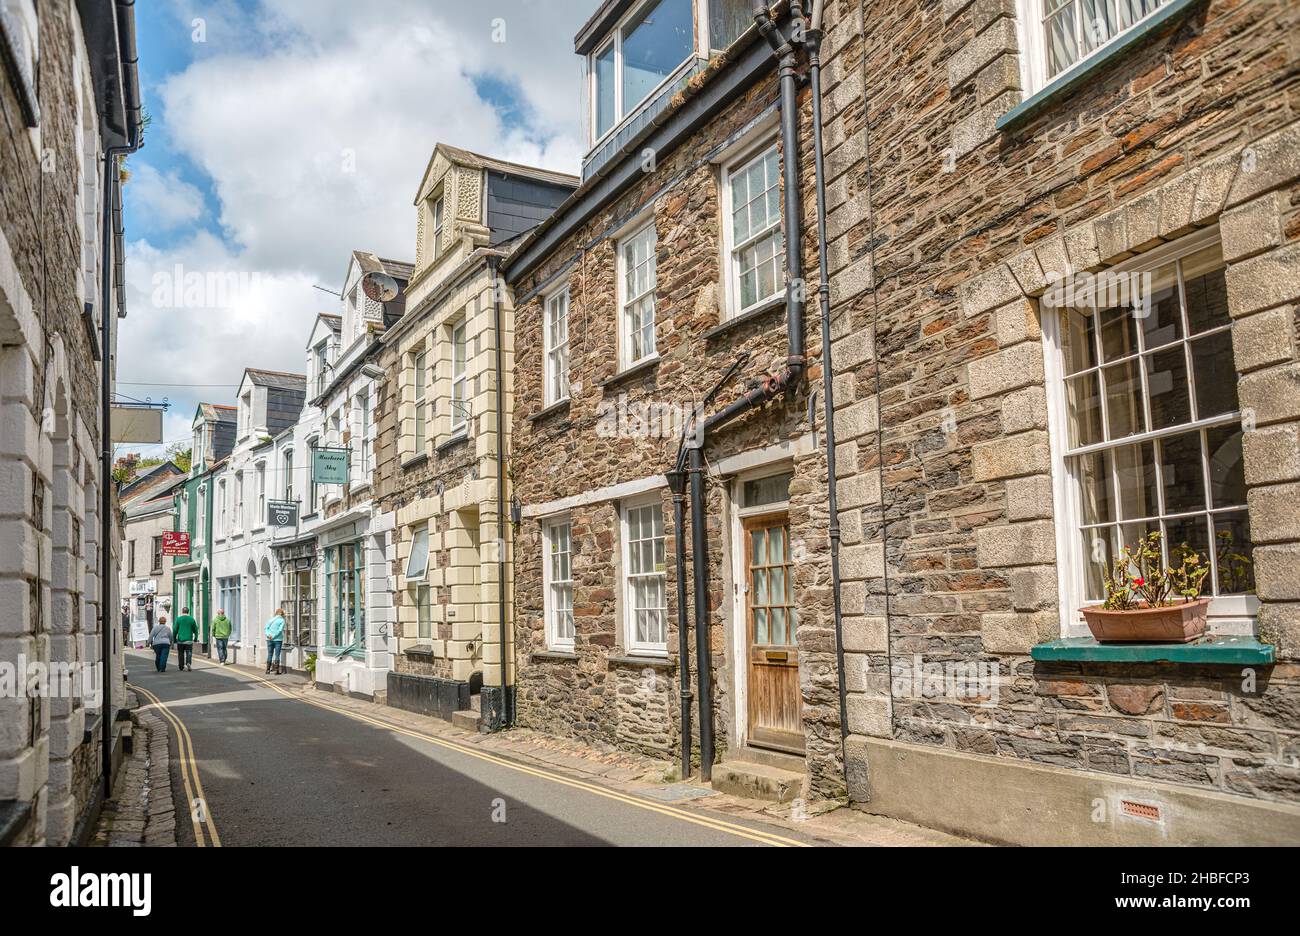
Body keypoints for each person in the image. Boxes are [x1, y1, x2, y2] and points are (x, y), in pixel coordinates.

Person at [173, 606, 200, 671]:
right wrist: (196, 638)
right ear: (188, 612)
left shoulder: (178, 619)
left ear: (182, 612)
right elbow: (195, 630)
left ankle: (181, 666)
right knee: (189, 652)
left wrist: (174, 639)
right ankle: (188, 663)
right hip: (189, 640)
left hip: (180, 640)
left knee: (181, 653)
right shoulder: (191, 619)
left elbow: (175, 629)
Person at [265, 608, 286, 675]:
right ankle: (276, 670)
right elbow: (280, 630)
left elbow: (266, 628)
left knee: (270, 654)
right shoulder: (282, 620)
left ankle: (267, 670)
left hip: (269, 639)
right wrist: (273, 636)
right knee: (277, 654)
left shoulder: (271, 619)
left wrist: (268, 635)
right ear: (282, 614)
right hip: (278, 640)